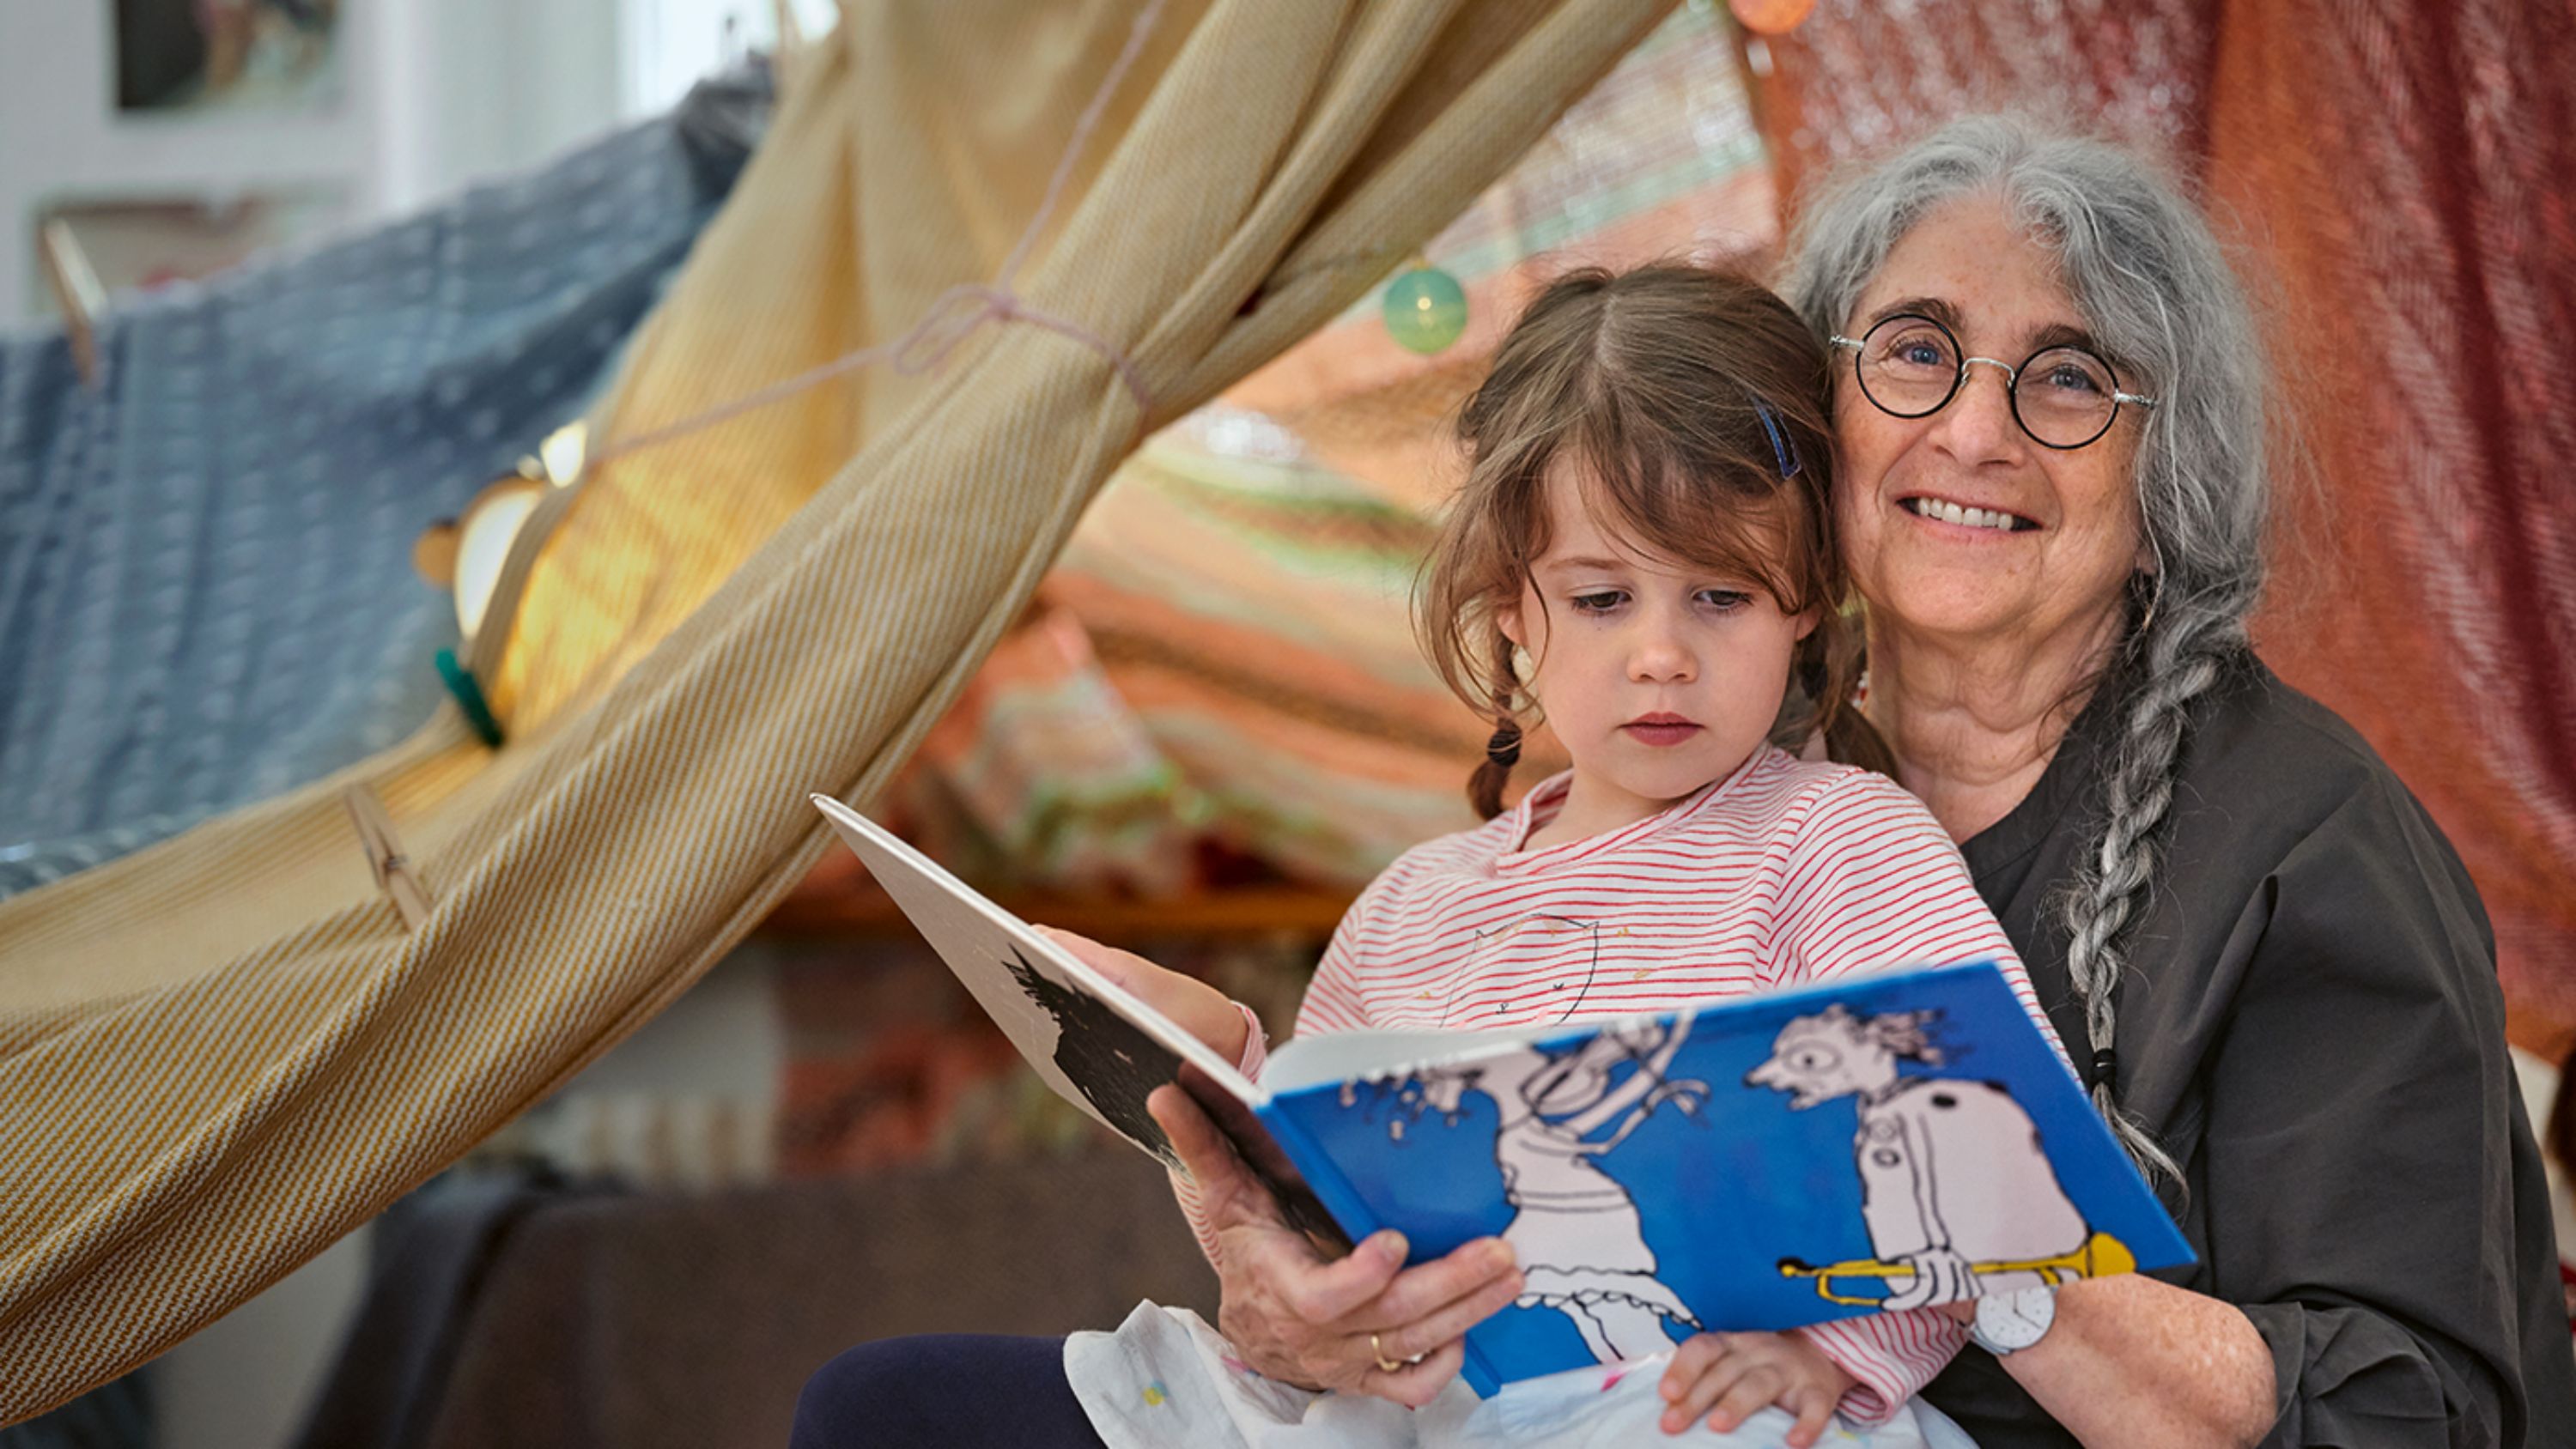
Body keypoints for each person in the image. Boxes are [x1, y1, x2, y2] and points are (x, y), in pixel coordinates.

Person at [791, 265, 2067, 1448]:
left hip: (1696, 1413)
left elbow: (1990, 1140)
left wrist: (1827, 1357)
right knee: (878, 1403)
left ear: (1804, 603)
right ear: (1517, 608)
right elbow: (1332, 1202)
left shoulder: (1838, 839)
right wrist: (1223, 1077)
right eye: (1604, 598)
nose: (1663, 654)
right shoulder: (1419, 905)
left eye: (1721, 597)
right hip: (1418, 1412)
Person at [1771, 115, 2576, 1446]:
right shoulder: (1721, 772)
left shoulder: (2308, 844)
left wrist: (2005, 1257)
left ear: (2171, 464)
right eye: (1914, 351)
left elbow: (2408, 1412)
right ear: (1819, 412)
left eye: (2072, 378)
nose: (1975, 429)